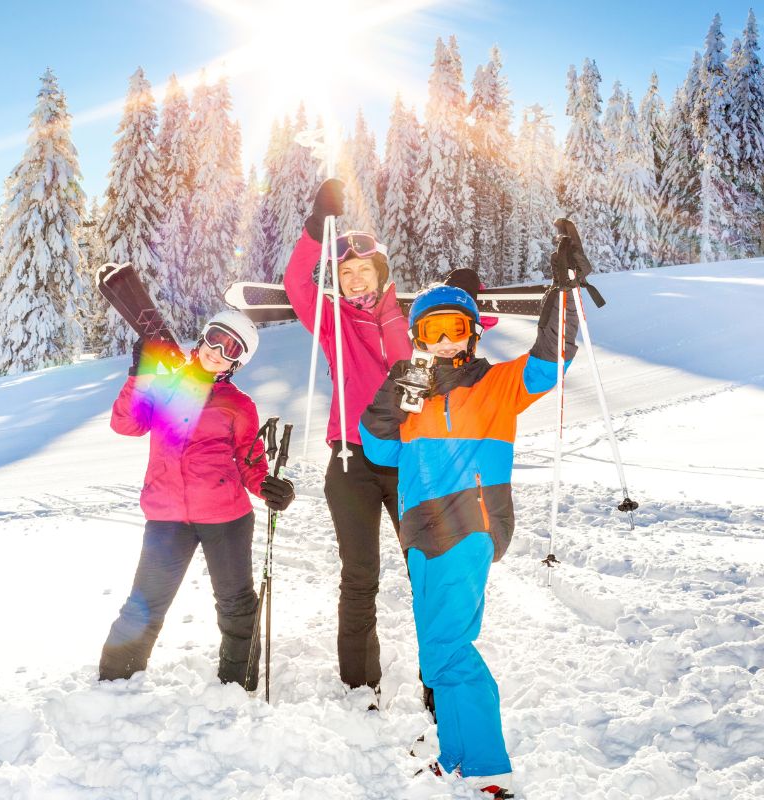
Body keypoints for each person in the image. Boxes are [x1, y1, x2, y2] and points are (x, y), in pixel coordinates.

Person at [358, 246, 581, 798]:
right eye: (430, 332)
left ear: (473, 331)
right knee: (438, 650)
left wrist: (564, 297)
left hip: (469, 522)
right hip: (420, 529)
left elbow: (551, 360)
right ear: (417, 340)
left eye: (454, 328)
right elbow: (378, 453)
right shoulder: (410, 395)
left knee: (451, 647)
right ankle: (457, 758)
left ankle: (485, 769)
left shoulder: (497, 384)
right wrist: (394, 394)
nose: (444, 341)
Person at [99, 310, 296, 688]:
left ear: (238, 361)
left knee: (236, 604)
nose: (218, 350)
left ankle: (237, 685)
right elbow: (126, 424)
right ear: (203, 336)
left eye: (231, 347)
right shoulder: (166, 385)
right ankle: (114, 682)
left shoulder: (239, 404)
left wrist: (269, 488)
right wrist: (139, 373)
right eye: (215, 338)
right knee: (144, 603)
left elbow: (249, 461)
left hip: (226, 517)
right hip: (166, 516)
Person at [281, 178, 411, 698]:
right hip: (350, 460)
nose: (357, 281)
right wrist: (315, 231)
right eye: (348, 273)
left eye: (365, 271)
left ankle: (439, 678)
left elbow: (464, 332)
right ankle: (360, 684)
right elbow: (296, 282)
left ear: (381, 274)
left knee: (426, 570)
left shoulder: (410, 319)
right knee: (360, 575)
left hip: (410, 459)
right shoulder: (333, 320)